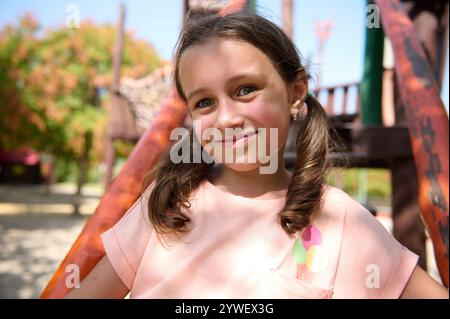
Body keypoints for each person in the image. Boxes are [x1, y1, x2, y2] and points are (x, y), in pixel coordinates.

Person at [65, 7, 448, 299]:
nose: (227, 118)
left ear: (295, 93)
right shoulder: (165, 206)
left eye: (246, 89)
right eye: (204, 102)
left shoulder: (339, 218)